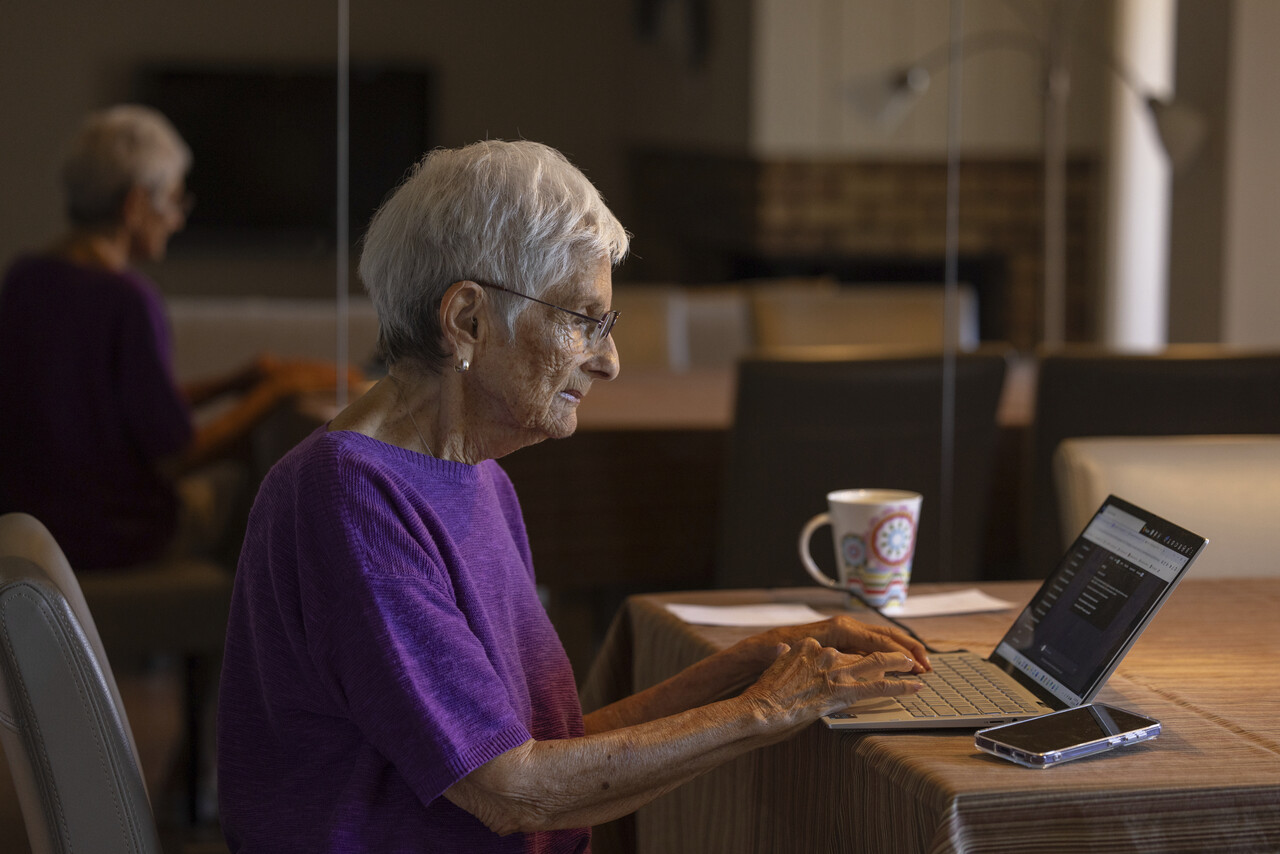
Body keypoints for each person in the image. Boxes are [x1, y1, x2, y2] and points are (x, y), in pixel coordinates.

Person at [216, 139, 929, 852]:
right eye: (583, 319)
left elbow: (544, 750)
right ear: (466, 320)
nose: (610, 360)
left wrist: (753, 665)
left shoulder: (479, 476)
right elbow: (513, 790)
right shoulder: (350, 499)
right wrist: (765, 710)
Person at [0, 104, 350, 571]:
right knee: (254, 480)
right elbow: (176, 455)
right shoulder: (127, 299)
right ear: (136, 204)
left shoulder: (25, 277)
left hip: (30, 528)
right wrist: (275, 392)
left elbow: (112, 407)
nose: (177, 219)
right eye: (174, 199)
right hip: (111, 538)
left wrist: (233, 383)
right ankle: (228, 632)